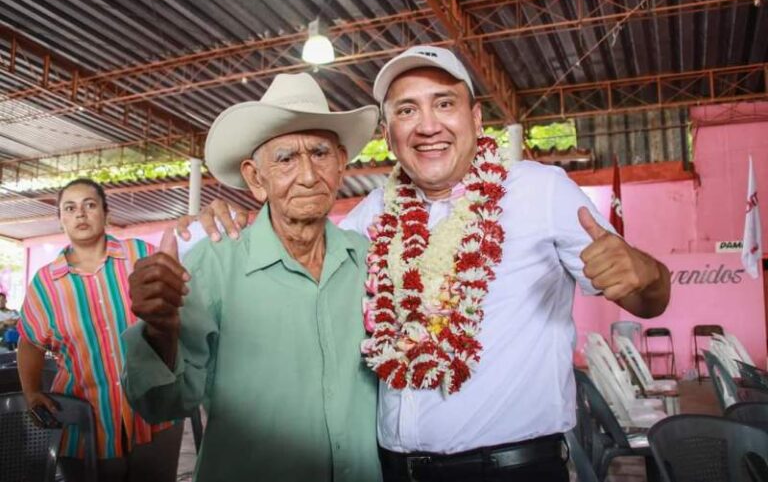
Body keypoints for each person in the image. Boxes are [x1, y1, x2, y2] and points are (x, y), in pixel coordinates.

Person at [180, 46, 671, 482]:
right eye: (406, 110)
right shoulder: (370, 217)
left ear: (476, 118)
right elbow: (297, 240)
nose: (428, 125)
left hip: (507, 471)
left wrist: (645, 274)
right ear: (389, 134)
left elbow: (650, 299)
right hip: (393, 470)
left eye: (444, 103)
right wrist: (221, 221)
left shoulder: (541, 191)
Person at [121, 73, 382, 482]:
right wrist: (160, 330)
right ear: (256, 179)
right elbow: (162, 404)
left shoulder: (371, 261)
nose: (309, 175)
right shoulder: (214, 263)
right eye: (285, 159)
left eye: (320, 153)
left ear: (341, 163)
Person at [17, 178, 183, 482]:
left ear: (106, 213)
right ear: (61, 219)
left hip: (154, 411)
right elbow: (30, 342)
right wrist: (31, 392)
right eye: (70, 208)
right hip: (85, 423)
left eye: (90, 205)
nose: (80, 214)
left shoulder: (141, 255)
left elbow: (178, 311)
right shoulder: (46, 284)